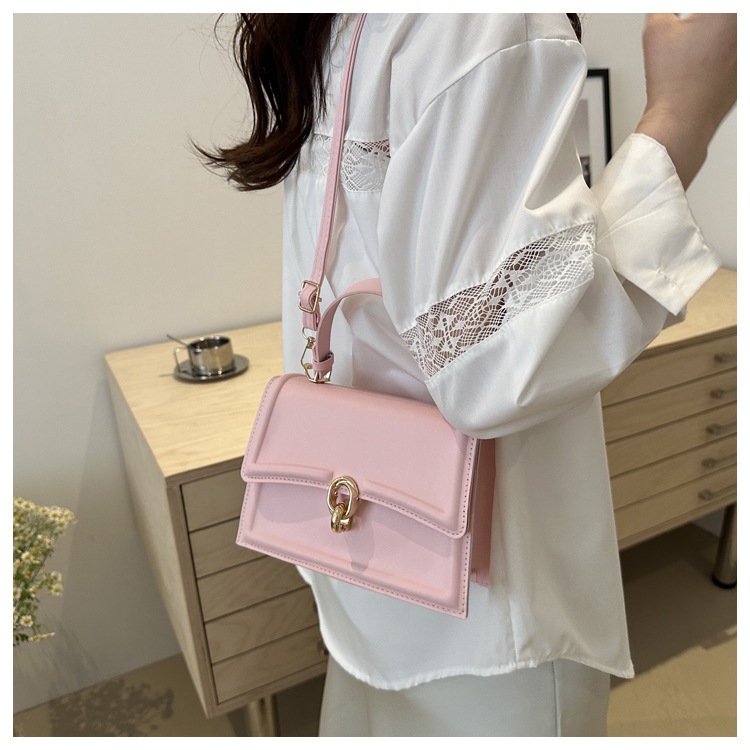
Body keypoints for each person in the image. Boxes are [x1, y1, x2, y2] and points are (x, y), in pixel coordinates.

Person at [201, 13, 736, 736]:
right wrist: (681, 116)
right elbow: (500, 367)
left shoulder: (349, 25)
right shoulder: (486, 19)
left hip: (364, 568)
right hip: (489, 609)